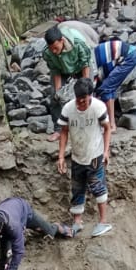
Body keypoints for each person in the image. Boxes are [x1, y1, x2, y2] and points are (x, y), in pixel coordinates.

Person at [57, 77, 112, 236]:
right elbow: (64, 132)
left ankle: (103, 221)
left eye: (85, 101)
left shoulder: (98, 107)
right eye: (79, 101)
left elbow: (107, 128)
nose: (81, 104)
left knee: (97, 186)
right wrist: (61, 156)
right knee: (77, 187)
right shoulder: (68, 109)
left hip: (94, 154)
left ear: (91, 96)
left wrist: (106, 151)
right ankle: (77, 221)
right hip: (77, 155)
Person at [42, 23, 95, 130]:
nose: (54, 52)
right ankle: (59, 129)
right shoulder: (47, 53)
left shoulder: (78, 44)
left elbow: (85, 64)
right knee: (55, 97)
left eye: (56, 48)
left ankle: (87, 124)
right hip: (62, 69)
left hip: (81, 66)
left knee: (85, 94)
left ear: (62, 40)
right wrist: (58, 91)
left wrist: (85, 86)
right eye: (51, 49)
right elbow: (55, 70)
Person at [93, 36, 136, 127]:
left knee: (105, 89)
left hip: (128, 55)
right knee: (107, 89)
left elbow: (94, 91)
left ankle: (111, 125)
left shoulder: (92, 68)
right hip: (129, 53)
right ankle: (111, 124)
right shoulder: (99, 68)